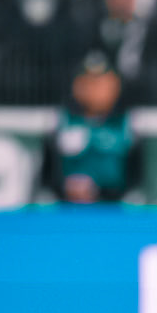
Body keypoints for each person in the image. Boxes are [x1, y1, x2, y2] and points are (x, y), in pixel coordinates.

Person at [45, 51, 137, 202]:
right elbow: (48, 173)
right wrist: (64, 188)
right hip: (68, 209)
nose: (95, 90)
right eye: (88, 84)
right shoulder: (62, 121)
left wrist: (104, 192)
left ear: (116, 86)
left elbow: (136, 175)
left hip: (114, 209)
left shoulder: (126, 123)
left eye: (102, 84)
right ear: (76, 86)